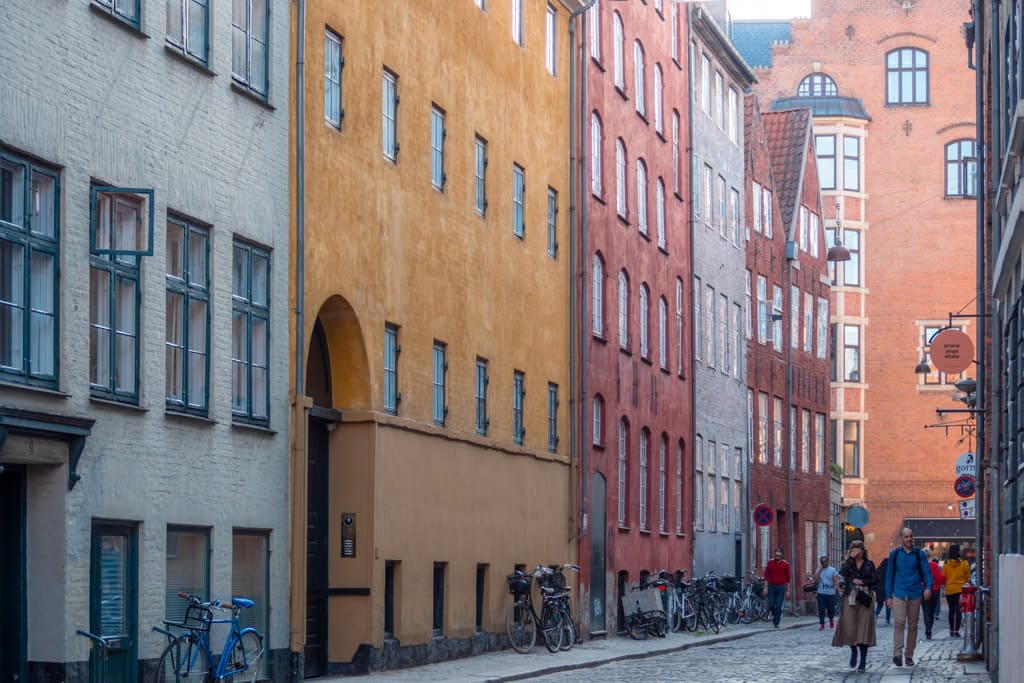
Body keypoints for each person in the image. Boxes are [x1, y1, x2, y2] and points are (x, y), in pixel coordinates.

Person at [885, 527, 931, 667]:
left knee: (912, 626)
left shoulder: (919, 554)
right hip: (899, 593)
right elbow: (889, 575)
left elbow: (927, 573)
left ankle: (909, 655)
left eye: (911, 536)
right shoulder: (895, 554)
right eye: (906, 537)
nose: (909, 539)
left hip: (915, 593)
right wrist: (888, 596)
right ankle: (897, 654)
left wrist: (928, 587)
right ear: (902, 538)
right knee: (899, 623)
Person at [832, 540, 877, 672]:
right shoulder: (849, 564)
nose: (857, 553)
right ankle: (853, 651)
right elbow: (842, 573)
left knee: (864, 629)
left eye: (859, 550)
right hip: (850, 598)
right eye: (854, 550)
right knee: (849, 627)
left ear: (863, 551)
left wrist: (862, 581)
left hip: (865, 598)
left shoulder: (869, 564)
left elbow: (875, 579)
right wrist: (851, 559)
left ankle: (863, 660)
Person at [941, 544, 972, 637]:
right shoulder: (964, 563)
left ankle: (951, 630)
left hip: (950, 590)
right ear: (958, 552)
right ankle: (956, 631)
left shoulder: (946, 564)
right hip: (960, 590)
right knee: (958, 611)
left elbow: (943, 577)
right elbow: (968, 577)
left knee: (951, 610)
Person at [764, 547, 791, 628]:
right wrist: (765, 588)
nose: (777, 557)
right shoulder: (770, 563)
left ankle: (776, 622)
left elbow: (788, 578)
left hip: (780, 587)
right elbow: (766, 576)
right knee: (771, 604)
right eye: (776, 555)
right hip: (771, 586)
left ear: (782, 556)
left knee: (778, 605)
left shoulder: (785, 564)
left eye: (779, 555)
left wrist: (788, 590)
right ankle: (775, 614)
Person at [921, 551, 945, 639]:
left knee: (926, 611)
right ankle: (929, 629)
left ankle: (928, 630)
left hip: (923, 590)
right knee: (931, 611)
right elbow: (939, 578)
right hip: (934, 590)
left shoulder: (920, 566)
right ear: (929, 556)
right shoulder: (934, 565)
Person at [814, 555, 840, 630]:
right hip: (821, 592)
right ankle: (822, 624)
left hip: (830, 593)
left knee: (831, 609)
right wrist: (819, 570)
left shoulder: (832, 570)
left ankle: (831, 620)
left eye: (825, 561)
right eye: (822, 562)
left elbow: (836, 581)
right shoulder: (818, 570)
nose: (824, 563)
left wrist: (839, 590)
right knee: (821, 609)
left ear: (828, 561)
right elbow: (815, 580)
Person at [873, 556, 891, 625]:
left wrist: (874, 589)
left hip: (879, 590)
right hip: (887, 590)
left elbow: (875, 580)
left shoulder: (879, 570)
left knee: (879, 605)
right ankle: (887, 620)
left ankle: (876, 614)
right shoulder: (889, 571)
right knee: (888, 605)